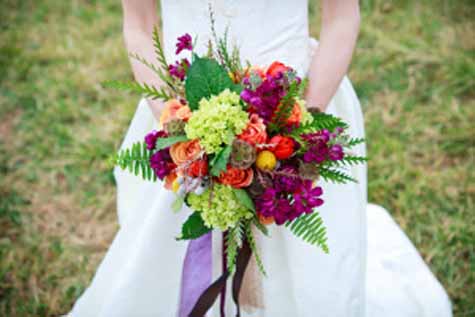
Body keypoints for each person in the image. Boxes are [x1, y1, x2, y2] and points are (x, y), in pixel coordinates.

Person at [69, 1, 452, 316]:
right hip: (179, 108)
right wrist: (178, 123)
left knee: (304, 269)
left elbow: (342, 17)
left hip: (300, 100)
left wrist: (297, 126)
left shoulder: (299, 119)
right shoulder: (176, 121)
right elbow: (139, 23)